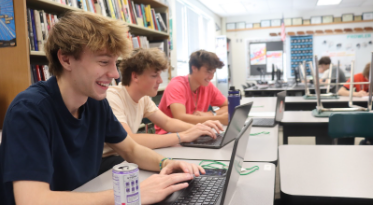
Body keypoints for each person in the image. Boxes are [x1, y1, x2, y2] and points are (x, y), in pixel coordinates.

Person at [0, 11, 204, 205]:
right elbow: (33, 200)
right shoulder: (29, 110)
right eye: (104, 62)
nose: (115, 74)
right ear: (66, 59)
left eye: (115, 63)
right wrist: (129, 194)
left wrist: (165, 163)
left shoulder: (96, 102)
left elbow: (131, 149)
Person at [104, 48, 223, 164]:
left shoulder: (143, 98)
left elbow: (167, 122)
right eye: (154, 76)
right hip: (108, 162)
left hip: (126, 158)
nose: (160, 81)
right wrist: (182, 136)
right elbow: (129, 140)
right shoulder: (112, 98)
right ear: (135, 76)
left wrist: (198, 128)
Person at [156, 50, 229, 134]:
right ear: (194, 68)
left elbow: (228, 105)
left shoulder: (207, 85)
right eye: (208, 71)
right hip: (170, 133)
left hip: (195, 130)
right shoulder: (177, 85)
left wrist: (211, 114)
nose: (211, 77)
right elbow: (180, 118)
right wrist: (218, 118)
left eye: (213, 72)